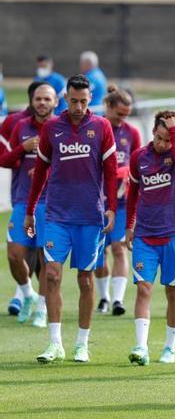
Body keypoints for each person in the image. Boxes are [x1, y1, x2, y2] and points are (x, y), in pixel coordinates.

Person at [25, 74, 118, 363]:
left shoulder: (102, 127)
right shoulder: (53, 127)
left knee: (86, 280)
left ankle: (82, 343)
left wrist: (112, 207)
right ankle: (55, 343)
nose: (78, 106)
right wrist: (30, 211)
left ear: (91, 99)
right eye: (73, 101)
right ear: (66, 98)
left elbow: (112, 172)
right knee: (51, 274)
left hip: (90, 216)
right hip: (56, 215)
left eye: (83, 101)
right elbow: (40, 171)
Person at [125, 111, 175, 365]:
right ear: (152, 132)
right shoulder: (139, 157)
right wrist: (129, 225)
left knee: (173, 292)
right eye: (159, 137)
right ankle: (141, 346)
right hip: (145, 234)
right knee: (144, 288)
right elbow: (132, 193)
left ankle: (169, 347)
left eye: (168, 139)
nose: (162, 144)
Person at [0, 83, 58, 328]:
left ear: (55, 102)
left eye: (47, 99)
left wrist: (47, 167)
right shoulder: (22, 127)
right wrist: (22, 149)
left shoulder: (60, 129)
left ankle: (42, 309)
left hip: (53, 203)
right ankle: (27, 294)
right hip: (24, 201)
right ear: (32, 101)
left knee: (46, 258)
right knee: (14, 254)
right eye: (38, 99)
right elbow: (4, 160)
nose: (42, 103)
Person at [94, 86, 142, 315]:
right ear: (109, 107)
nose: (123, 118)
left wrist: (126, 173)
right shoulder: (95, 128)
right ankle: (103, 297)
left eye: (126, 114)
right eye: (119, 113)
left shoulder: (131, 133)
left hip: (123, 201)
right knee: (99, 251)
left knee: (119, 248)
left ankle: (118, 300)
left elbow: (141, 162)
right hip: (97, 201)